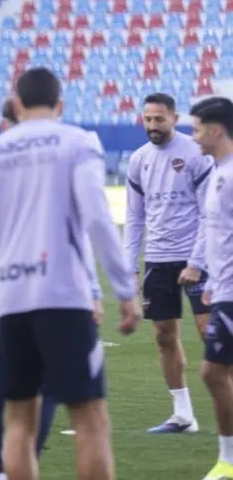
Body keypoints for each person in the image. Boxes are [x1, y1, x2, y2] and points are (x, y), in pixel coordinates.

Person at [0, 67, 140, 480]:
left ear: (17, 104)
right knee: (91, 419)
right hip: (64, 298)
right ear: (60, 105)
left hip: (9, 303)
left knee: (19, 421)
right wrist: (124, 290)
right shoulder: (78, 142)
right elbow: (97, 217)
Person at [0, 97, 104, 480]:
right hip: (54, 294)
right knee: (47, 397)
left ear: (5, 123)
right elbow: (84, 231)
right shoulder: (60, 161)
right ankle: (23, 466)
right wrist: (95, 289)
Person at [124, 93, 214, 434]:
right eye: (147, 119)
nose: (152, 125)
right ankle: (183, 415)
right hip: (158, 258)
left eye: (159, 119)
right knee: (163, 335)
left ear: (175, 119)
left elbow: (210, 212)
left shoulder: (195, 153)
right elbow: (134, 218)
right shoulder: (138, 160)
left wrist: (196, 261)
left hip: (196, 258)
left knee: (211, 332)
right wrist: (129, 268)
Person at [188, 97, 233, 480]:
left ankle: (228, 462)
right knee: (216, 373)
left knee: (213, 373)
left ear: (216, 130)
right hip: (223, 291)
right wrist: (211, 280)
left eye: (197, 128)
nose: (193, 135)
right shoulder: (219, 171)